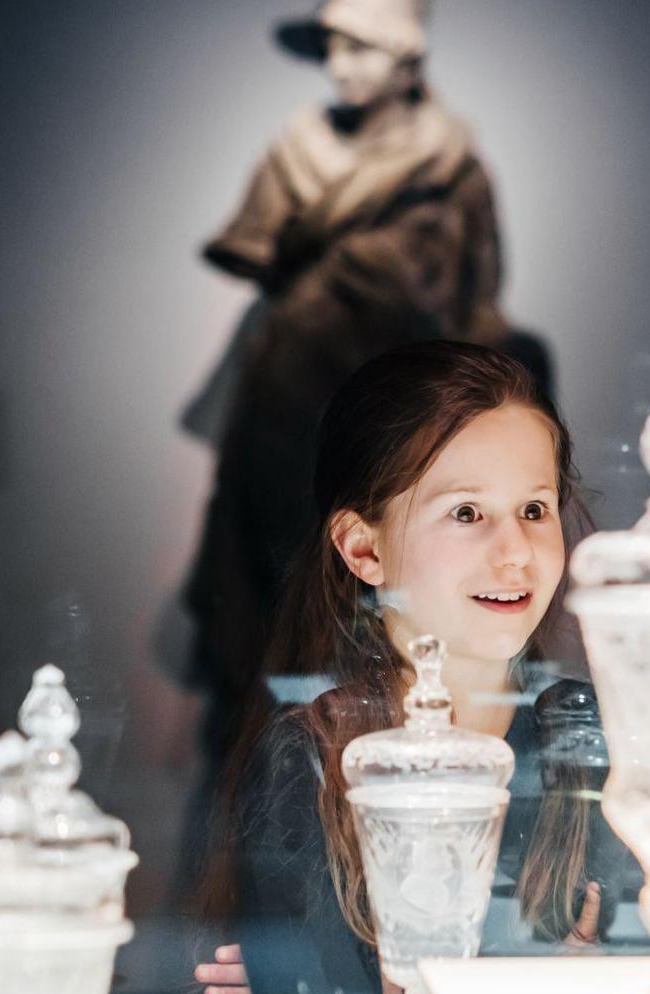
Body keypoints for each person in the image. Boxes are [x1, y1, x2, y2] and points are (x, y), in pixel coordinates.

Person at [191, 342, 617, 994]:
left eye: (534, 508)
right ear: (363, 548)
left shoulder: (585, 740)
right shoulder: (314, 761)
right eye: (466, 513)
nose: (515, 549)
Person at [174, 0, 524, 790]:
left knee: (396, 606)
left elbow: (479, 290)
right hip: (289, 392)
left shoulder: (450, 161)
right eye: (334, 46)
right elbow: (261, 254)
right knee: (269, 601)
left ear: (406, 61)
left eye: (361, 48)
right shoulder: (299, 149)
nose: (341, 65)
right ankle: (270, 806)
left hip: (398, 408)